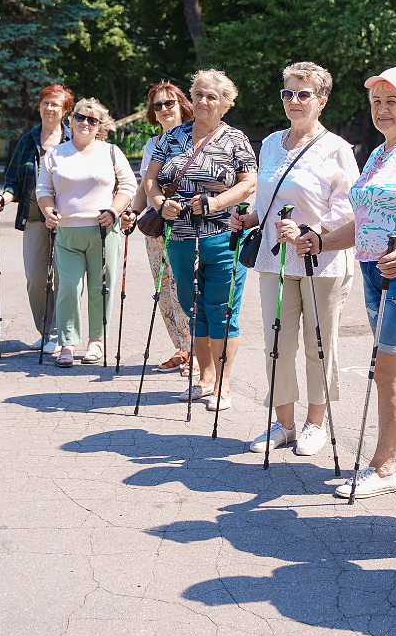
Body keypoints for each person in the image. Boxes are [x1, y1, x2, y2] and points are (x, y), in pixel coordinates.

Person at [296, 66, 396, 495]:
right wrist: (320, 241)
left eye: (392, 101)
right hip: (372, 269)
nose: (382, 109)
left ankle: (382, 469)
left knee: (387, 369)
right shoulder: (380, 153)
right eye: (376, 102)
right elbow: (363, 225)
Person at [231, 61, 358, 456]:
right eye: (288, 93)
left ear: (321, 100)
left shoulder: (336, 148)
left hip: (322, 261)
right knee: (276, 342)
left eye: (303, 94)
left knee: (319, 343)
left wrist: (311, 231)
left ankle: (314, 424)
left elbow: (349, 208)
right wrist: (249, 217)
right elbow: (267, 200)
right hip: (274, 260)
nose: (294, 100)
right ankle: (283, 423)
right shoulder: (270, 144)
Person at [144, 68, 257, 412]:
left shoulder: (235, 139)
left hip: (222, 236)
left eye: (212, 96)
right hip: (178, 237)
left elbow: (249, 182)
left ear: (225, 103)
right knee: (191, 305)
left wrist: (217, 202)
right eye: (198, 95)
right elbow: (151, 179)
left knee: (221, 310)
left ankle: (222, 385)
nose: (204, 101)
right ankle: (205, 378)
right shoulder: (173, 136)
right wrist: (160, 203)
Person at [36, 98, 137, 366]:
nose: (85, 123)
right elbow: (43, 191)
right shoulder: (55, 154)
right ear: (71, 119)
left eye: (92, 120)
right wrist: (48, 213)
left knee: (100, 288)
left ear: (99, 126)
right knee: (68, 287)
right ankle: (67, 343)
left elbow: (128, 185)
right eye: (81, 117)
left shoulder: (112, 152)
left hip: (104, 232)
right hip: (67, 233)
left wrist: (115, 211)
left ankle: (96, 341)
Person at [0, 84, 74, 353]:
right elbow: (13, 181)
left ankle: (63, 334)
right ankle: (46, 330)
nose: (50, 108)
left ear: (65, 110)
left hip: (67, 220)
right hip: (35, 219)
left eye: (56, 104)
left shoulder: (73, 141)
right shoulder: (27, 142)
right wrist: (3, 198)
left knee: (65, 277)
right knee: (36, 277)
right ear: (39, 107)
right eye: (46, 103)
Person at [122, 81, 196, 377]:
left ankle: (200, 351)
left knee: (187, 286)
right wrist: (133, 211)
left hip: (187, 224)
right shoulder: (152, 144)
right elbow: (145, 184)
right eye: (157, 105)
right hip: (156, 227)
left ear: (181, 105)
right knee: (164, 289)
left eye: (169, 103)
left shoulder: (196, 138)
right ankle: (182, 347)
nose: (164, 109)